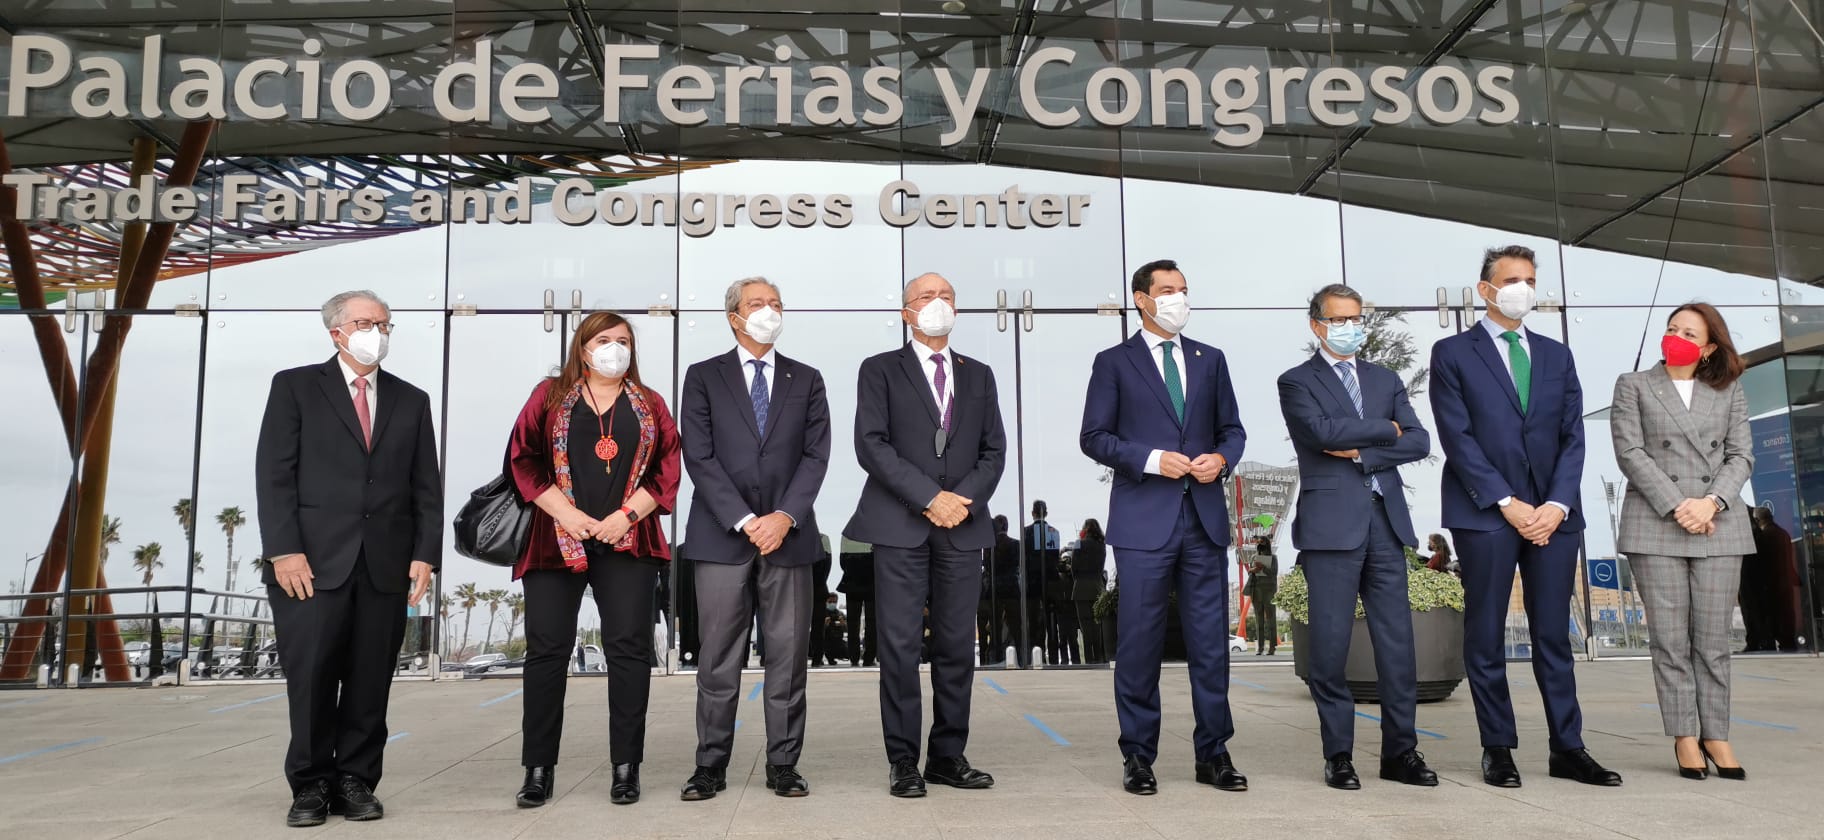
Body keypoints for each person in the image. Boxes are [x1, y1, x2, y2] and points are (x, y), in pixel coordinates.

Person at [1429, 245, 1621, 788]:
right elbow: (1457, 438)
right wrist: (1508, 503)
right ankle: (1498, 747)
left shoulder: (1557, 355)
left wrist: (1556, 505)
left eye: (1531, 279)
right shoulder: (1452, 352)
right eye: (1512, 279)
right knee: (1486, 632)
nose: (1523, 289)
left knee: (1553, 636)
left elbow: (1572, 436)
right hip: (1486, 512)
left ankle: (1569, 747)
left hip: (1554, 516)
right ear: (1485, 289)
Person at [255, 290, 441, 828]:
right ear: (335, 331)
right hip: (309, 564)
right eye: (365, 323)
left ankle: (357, 779)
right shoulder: (294, 387)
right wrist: (283, 549)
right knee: (311, 677)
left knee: (369, 678)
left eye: (384, 324)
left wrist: (425, 554)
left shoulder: (412, 400)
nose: (376, 332)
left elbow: (425, 485)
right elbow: (274, 474)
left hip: (385, 563)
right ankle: (310, 785)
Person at [1080, 258, 1248, 796]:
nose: (1179, 298)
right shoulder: (1113, 362)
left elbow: (1233, 431)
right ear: (1142, 299)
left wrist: (1221, 459)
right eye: (1168, 290)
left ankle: (1214, 753)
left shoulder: (1211, 359)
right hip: (1142, 523)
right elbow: (1095, 437)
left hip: (1203, 520)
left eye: (1183, 289)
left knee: (1210, 646)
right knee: (1138, 644)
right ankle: (1138, 755)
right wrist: (1152, 459)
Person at [505, 311, 681, 808]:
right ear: (582, 349)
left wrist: (625, 516)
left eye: (623, 340)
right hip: (554, 538)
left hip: (630, 539)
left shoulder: (650, 403)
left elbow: (668, 471)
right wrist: (570, 515)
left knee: (629, 650)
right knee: (546, 653)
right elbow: (521, 459)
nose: (615, 348)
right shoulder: (550, 395)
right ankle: (538, 770)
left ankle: (626, 768)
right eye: (604, 340)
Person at [846, 272, 1007, 798]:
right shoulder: (879, 370)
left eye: (947, 297)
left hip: (962, 526)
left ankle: (947, 756)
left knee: (958, 647)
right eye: (927, 297)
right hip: (901, 526)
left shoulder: (979, 374)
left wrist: (960, 500)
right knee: (898, 646)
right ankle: (903, 761)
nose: (938, 305)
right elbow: (871, 445)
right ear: (905, 311)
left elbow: (994, 451)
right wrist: (928, 498)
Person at [678, 277, 831, 801]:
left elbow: (816, 456)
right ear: (734, 317)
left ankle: (783, 764)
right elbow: (698, 456)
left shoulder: (807, 379)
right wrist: (746, 520)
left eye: (776, 304)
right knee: (718, 657)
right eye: (757, 304)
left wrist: (784, 516)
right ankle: (710, 766)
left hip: (789, 538)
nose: (769, 311)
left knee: (787, 657)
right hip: (722, 538)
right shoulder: (703, 377)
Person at [1278, 283, 1436, 789]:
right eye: (1340, 319)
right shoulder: (1295, 381)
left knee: (1399, 648)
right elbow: (1320, 435)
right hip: (1330, 530)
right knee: (1328, 649)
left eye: (1356, 318)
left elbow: (1418, 440)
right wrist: (1383, 428)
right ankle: (1339, 756)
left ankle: (1401, 753)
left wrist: (1369, 449)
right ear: (1317, 324)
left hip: (1386, 525)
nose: (1351, 327)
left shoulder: (1384, 378)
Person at [1611, 302, 1754, 781]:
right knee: (1670, 641)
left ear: (1709, 346)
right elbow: (1630, 452)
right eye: (1672, 328)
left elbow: (1741, 456)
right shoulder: (1633, 385)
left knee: (1714, 641)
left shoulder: (1728, 390)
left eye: (1688, 332)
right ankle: (1684, 737)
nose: (1676, 336)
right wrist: (1680, 505)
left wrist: (1709, 502)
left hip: (1719, 523)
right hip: (1657, 523)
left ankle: (1717, 733)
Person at [1072, 520, 1110, 664]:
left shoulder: (1078, 543)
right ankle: (1099, 658)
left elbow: (1074, 568)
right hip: (1097, 587)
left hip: (1081, 588)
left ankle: (1089, 659)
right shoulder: (1101, 545)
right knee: (1097, 625)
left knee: (1085, 626)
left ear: (1086, 529)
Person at [836, 538, 877, 667]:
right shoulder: (874, 533)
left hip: (852, 584)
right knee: (872, 623)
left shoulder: (847, 535)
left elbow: (843, 562)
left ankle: (854, 657)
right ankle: (869, 657)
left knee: (853, 624)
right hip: (872, 584)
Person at [1243, 537, 1279, 656]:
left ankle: (1272, 647)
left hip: (1269, 591)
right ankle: (1260, 647)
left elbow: (1274, 573)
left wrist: (1262, 567)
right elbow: (1250, 572)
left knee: (1271, 619)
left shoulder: (1273, 558)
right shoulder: (1254, 557)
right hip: (1256, 590)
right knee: (1259, 621)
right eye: (1258, 543)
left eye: (1261, 542)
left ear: (1267, 544)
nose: (1259, 544)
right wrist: (1253, 569)